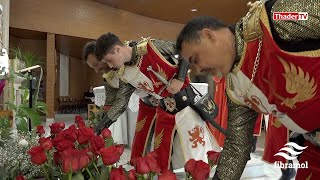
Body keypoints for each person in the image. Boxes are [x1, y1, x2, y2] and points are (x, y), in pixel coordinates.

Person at [176, 0, 320, 179]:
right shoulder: (236, 89)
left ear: (208, 35)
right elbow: (237, 147)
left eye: (195, 59)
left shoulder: (273, 18)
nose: (197, 70)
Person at [95, 32, 221, 170]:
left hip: (185, 105)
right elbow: (120, 103)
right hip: (163, 110)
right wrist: (99, 127)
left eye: (109, 60)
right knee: (162, 157)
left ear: (117, 49)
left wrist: (180, 78)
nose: (110, 66)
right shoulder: (125, 74)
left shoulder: (151, 47)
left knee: (196, 153)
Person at [82, 41, 158, 164]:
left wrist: (99, 127)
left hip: (167, 101)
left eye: (96, 64)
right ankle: (139, 170)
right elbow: (110, 104)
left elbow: (121, 102)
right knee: (140, 142)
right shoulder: (108, 76)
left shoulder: (126, 60)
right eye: (93, 67)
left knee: (163, 143)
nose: (97, 70)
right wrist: (96, 124)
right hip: (147, 103)